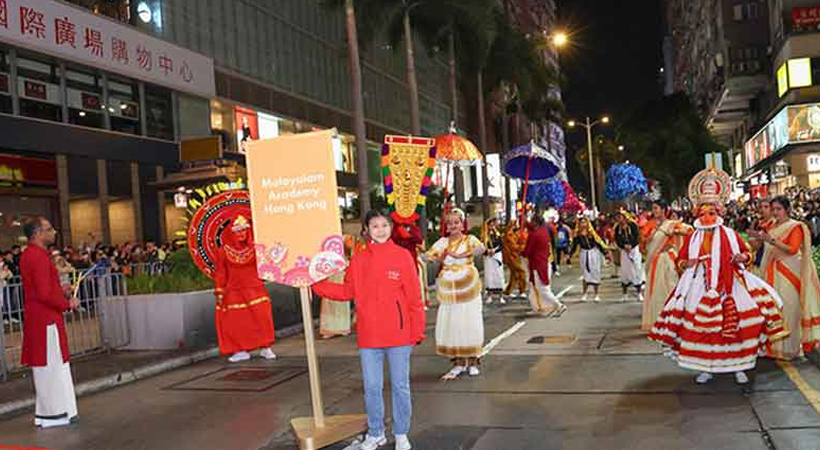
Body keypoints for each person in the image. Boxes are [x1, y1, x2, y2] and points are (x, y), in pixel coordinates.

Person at [649, 168, 788, 385]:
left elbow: (748, 254)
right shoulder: (694, 237)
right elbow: (680, 261)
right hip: (700, 287)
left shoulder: (730, 235)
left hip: (731, 286)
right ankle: (708, 369)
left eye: (711, 213)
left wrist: (742, 257)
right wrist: (688, 263)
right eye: (703, 214)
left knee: (739, 327)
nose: (707, 218)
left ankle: (739, 367)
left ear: (719, 214)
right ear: (698, 215)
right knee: (704, 330)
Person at [313, 211, 424, 450]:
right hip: (369, 335)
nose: (381, 229)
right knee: (371, 387)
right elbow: (347, 291)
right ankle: (376, 433)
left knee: (400, 386)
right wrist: (317, 286)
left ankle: (401, 433)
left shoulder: (403, 256)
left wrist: (417, 330)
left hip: (399, 334)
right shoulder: (360, 259)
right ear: (366, 230)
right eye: (375, 226)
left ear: (391, 228)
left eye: (385, 225)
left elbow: (415, 297)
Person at [20, 217, 81, 428]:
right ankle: (54, 413)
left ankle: (59, 412)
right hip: (45, 320)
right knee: (52, 366)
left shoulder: (33, 255)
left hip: (42, 318)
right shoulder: (37, 256)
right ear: (37, 234)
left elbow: (42, 289)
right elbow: (44, 294)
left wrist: (61, 291)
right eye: (49, 229)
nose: (53, 232)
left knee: (53, 365)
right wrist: (68, 303)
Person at [425, 208, 485, 380]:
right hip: (449, 289)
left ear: (462, 223)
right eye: (449, 223)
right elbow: (428, 256)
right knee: (453, 322)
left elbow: (480, 249)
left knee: (470, 321)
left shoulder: (470, 240)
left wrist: (459, 254)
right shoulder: (442, 242)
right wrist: (438, 256)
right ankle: (458, 363)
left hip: (469, 287)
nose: (453, 226)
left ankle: (472, 361)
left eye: (456, 222)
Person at [759, 196, 820, 360]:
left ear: (787, 210)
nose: (775, 212)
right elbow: (765, 247)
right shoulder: (771, 225)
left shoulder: (795, 226)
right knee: (773, 309)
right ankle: (773, 347)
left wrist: (770, 240)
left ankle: (790, 349)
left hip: (790, 271)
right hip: (773, 270)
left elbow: (792, 249)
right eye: (773, 209)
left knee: (789, 309)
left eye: (778, 209)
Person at [213, 215, 277, 363]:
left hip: (256, 289)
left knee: (262, 318)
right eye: (238, 231)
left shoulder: (256, 248)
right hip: (234, 291)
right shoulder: (223, 251)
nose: (241, 234)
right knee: (237, 322)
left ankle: (266, 347)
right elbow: (221, 272)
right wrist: (219, 291)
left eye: (244, 230)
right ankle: (241, 350)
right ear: (230, 232)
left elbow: (267, 264)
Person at [642, 200, 691, 330]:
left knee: (671, 287)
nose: (654, 211)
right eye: (653, 209)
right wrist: (652, 234)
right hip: (655, 261)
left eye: (656, 208)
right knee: (656, 290)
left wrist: (675, 233)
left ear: (664, 209)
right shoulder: (649, 224)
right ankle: (658, 320)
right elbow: (644, 243)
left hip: (669, 260)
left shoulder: (672, 224)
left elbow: (689, 231)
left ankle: (673, 319)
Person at [524, 213, 567, 316]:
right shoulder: (544, 231)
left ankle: (559, 305)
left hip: (538, 265)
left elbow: (528, 251)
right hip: (545, 262)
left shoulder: (535, 234)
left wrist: (520, 252)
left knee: (542, 289)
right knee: (533, 290)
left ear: (535, 222)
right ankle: (538, 308)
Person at [570, 217, 608, 302]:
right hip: (584, 253)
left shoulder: (592, 233)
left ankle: (596, 294)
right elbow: (574, 246)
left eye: (584, 222)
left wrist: (605, 253)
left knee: (595, 272)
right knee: (585, 274)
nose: (583, 224)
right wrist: (569, 255)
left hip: (593, 253)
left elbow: (598, 243)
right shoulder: (577, 235)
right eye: (581, 223)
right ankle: (584, 294)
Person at [614, 210, 645, 301]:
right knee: (625, 271)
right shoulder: (617, 228)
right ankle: (625, 294)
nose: (619, 219)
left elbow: (637, 237)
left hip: (634, 250)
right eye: (617, 218)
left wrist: (631, 245)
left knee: (636, 269)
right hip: (624, 251)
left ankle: (639, 293)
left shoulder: (633, 225)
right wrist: (624, 246)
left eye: (620, 217)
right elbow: (617, 240)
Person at [748, 199, 775, 278]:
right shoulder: (758, 223)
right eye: (760, 207)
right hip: (758, 259)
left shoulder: (774, 223)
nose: (762, 209)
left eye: (766, 207)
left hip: (769, 261)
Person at [482, 218, 506, 305]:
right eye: (490, 225)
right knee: (489, 276)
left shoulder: (497, 234)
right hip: (488, 257)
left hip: (497, 256)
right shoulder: (484, 236)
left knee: (499, 275)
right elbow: (481, 247)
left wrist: (494, 251)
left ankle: (501, 296)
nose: (491, 227)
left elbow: (501, 245)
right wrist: (487, 251)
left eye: (493, 225)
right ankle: (490, 295)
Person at [502, 221, 527, 298]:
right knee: (521, 272)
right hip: (511, 258)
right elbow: (514, 247)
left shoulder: (512, 235)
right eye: (514, 225)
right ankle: (522, 290)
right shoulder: (508, 236)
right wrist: (523, 246)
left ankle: (508, 291)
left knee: (514, 275)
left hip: (514, 257)